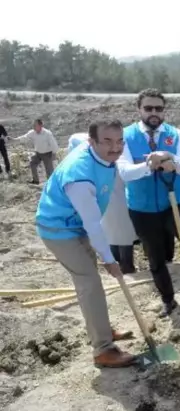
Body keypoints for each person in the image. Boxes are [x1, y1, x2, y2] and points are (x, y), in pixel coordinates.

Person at [35, 120, 135, 368]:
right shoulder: (79, 176)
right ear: (93, 142)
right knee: (89, 282)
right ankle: (102, 349)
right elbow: (94, 225)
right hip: (58, 229)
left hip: (75, 224)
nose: (115, 148)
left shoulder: (95, 152)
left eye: (119, 141)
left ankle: (101, 329)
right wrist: (110, 260)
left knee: (90, 281)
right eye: (107, 142)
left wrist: (104, 257)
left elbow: (76, 137)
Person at [117, 88, 180, 317]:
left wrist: (171, 158)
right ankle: (168, 300)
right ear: (139, 109)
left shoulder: (176, 136)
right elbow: (124, 171)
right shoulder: (125, 137)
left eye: (158, 108)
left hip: (175, 204)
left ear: (164, 111)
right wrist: (150, 165)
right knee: (155, 257)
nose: (154, 113)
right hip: (142, 208)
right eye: (148, 108)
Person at [68, 132, 138, 274]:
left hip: (118, 202)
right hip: (108, 204)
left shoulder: (109, 160)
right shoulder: (89, 164)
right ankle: (122, 266)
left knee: (120, 235)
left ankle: (126, 266)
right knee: (114, 235)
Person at [7, 119, 58, 184]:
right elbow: (24, 137)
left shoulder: (47, 133)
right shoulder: (32, 132)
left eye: (35, 125)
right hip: (38, 153)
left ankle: (51, 184)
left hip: (47, 154)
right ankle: (36, 181)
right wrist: (14, 139)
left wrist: (54, 154)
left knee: (49, 171)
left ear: (40, 125)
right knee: (32, 164)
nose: (33, 127)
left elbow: (53, 144)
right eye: (33, 125)